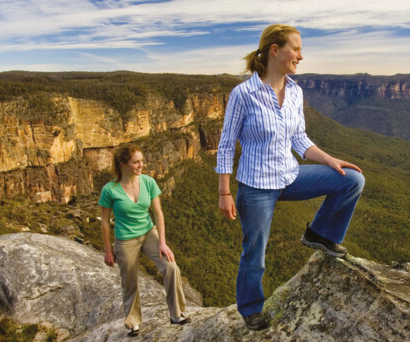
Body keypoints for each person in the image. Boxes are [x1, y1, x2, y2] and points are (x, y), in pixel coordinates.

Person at [215, 24, 366, 331]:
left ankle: (320, 234)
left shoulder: (295, 92)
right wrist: (224, 192)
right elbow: (226, 144)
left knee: (351, 180)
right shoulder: (244, 94)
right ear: (275, 50)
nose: (300, 56)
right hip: (256, 186)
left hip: (291, 175)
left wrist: (330, 160)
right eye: (295, 49)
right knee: (255, 252)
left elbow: (300, 140)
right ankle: (250, 309)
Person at [99, 144, 190, 337]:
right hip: (125, 240)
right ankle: (132, 322)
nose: (141, 165)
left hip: (149, 233)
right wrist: (108, 250)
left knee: (171, 267)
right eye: (136, 162)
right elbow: (105, 223)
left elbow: (158, 213)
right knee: (130, 280)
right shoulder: (110, 190)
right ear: (123, 164)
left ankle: (177, 313)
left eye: (142, 160)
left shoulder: (148, 182)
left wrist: (162, 243)